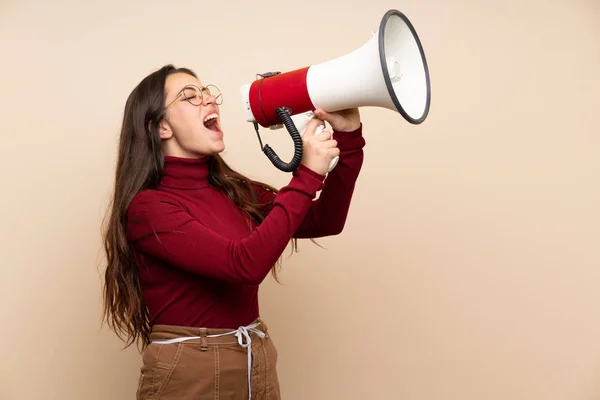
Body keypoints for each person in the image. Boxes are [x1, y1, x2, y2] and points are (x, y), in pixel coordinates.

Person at [101, 64, 366, 399]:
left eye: (207, 92)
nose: (209, 99)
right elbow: (243, 266)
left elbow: (324, 221)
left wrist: (350, 138)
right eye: (190, 97)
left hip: (254, 358)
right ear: (161, 127)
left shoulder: (233, 191)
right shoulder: (148, 209)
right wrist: (307, 176)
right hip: (190, 370)